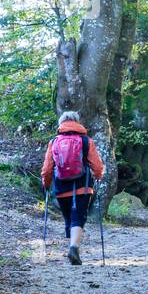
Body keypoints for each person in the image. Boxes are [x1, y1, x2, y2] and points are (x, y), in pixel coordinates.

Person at [41, 111, 105, 266]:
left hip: (62, 186)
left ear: (61, 123)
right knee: (79, 217)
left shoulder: (54, 141)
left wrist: (46, 184)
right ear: (77, 122)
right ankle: (74, 248)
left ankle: (72, 247)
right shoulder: (85, 141)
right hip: (83, 186)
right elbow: (97, 165)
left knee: (69, 218)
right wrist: (98, 176)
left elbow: (47, 168)